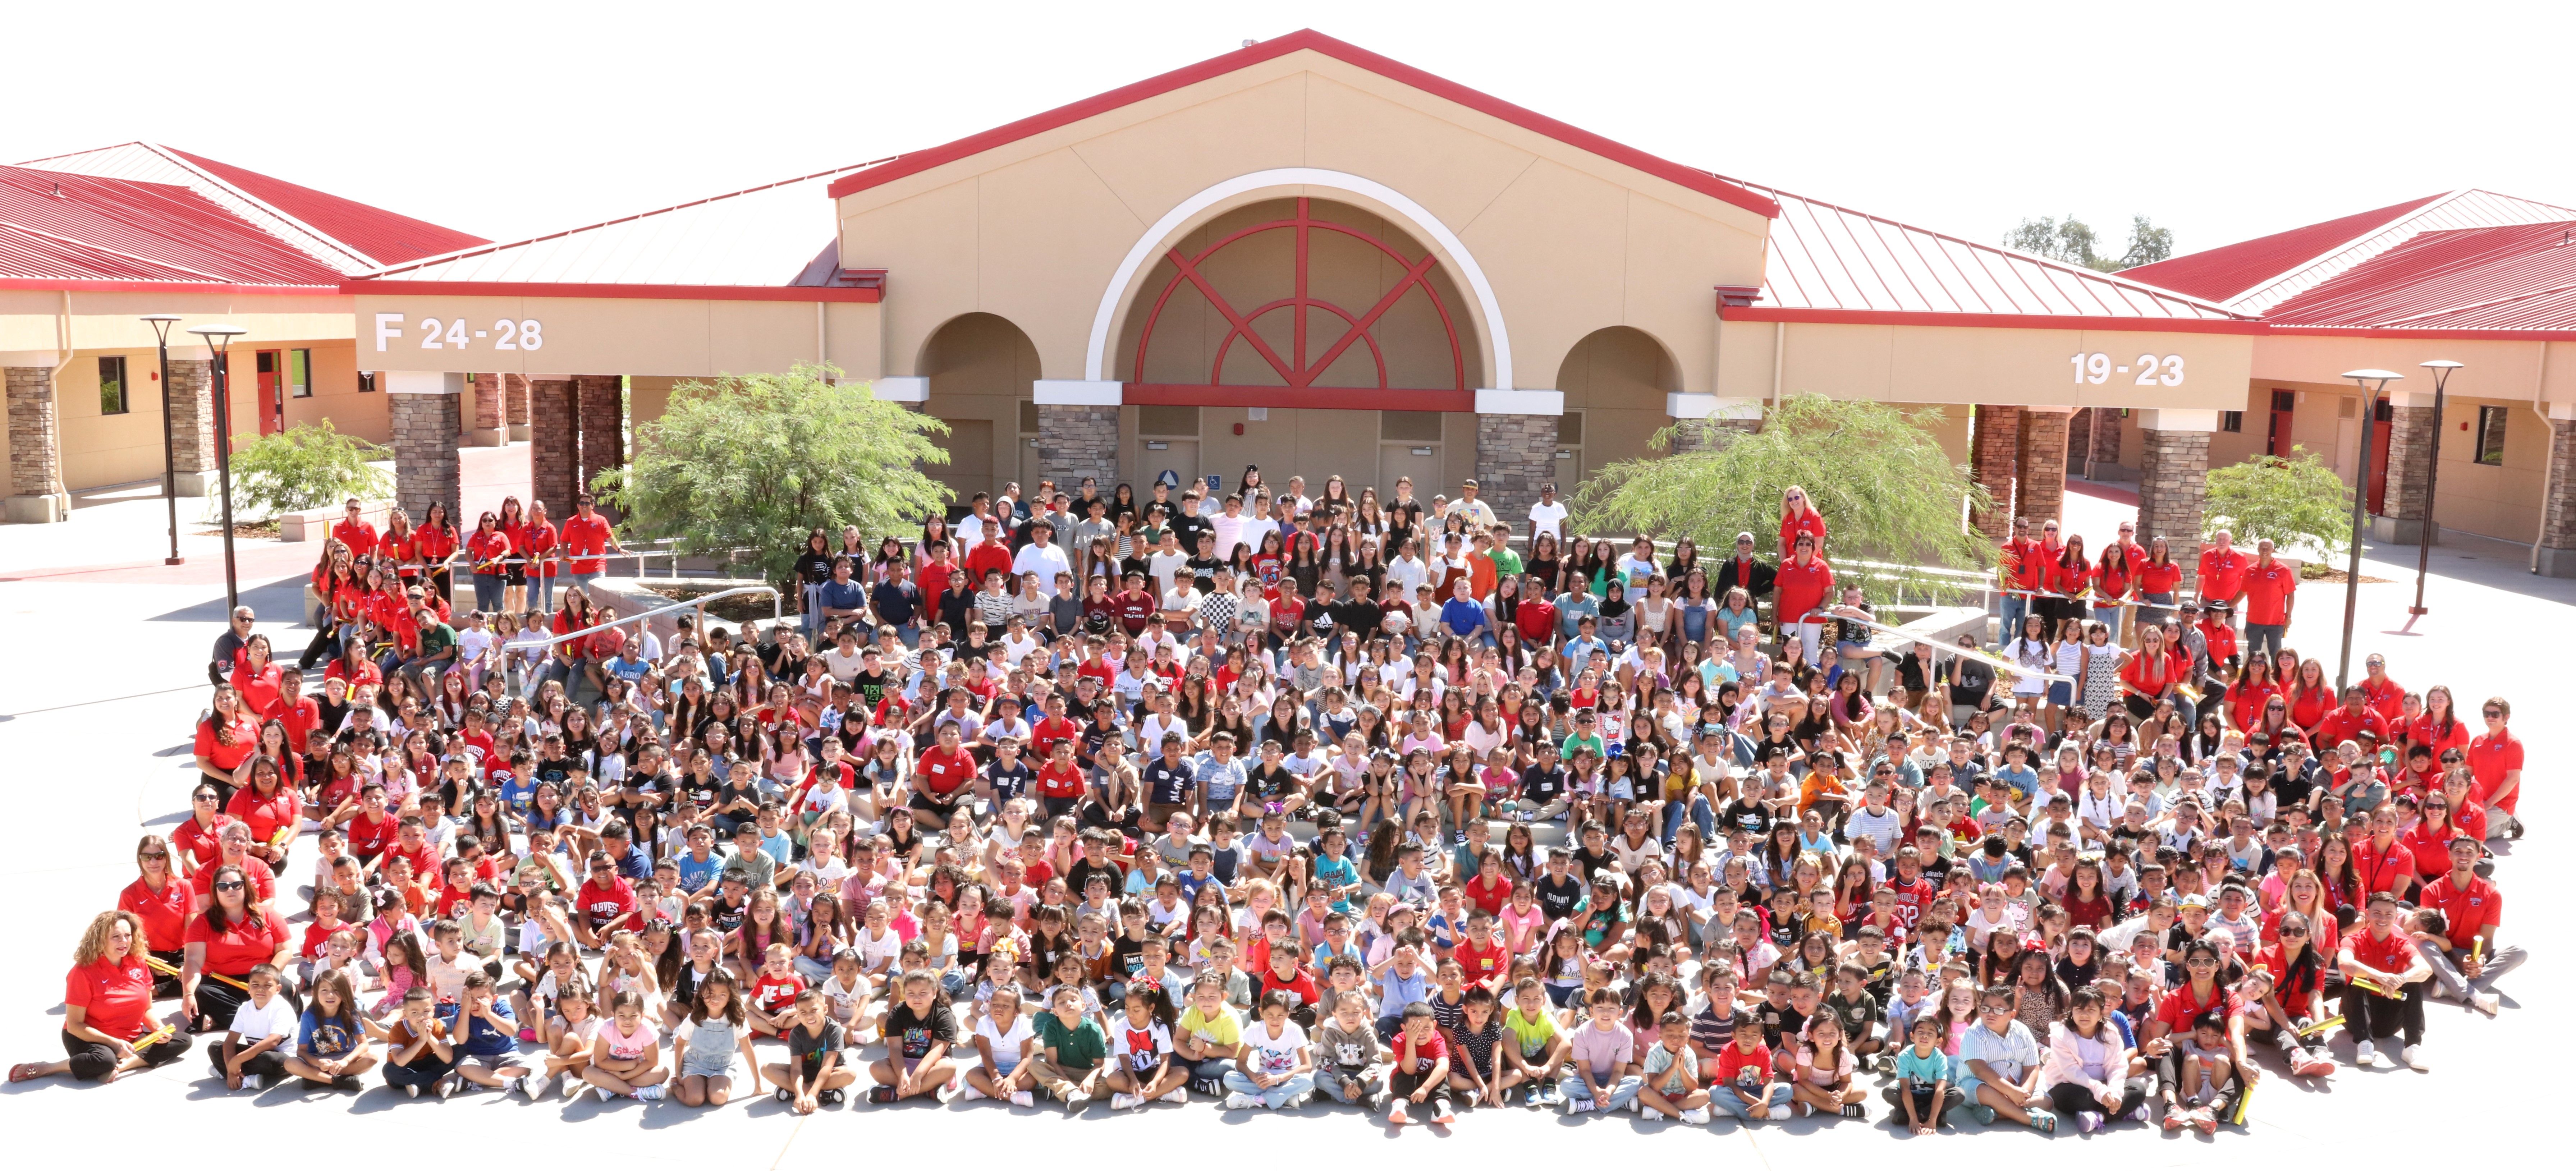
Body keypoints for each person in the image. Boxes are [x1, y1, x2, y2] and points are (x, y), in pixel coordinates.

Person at [11, 910, 193, 1084]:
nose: (124, 942)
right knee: (103, 1060)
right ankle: (49, 1068)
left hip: (130, 1037)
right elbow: (75, 1026)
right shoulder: (83, 972)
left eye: (128, 935)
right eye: (116, 937)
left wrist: (158, 1029)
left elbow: (148, 1009)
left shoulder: (138, 964)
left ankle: (121, 1066)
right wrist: (113, 1043)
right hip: (90, 1037)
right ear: (100, 939)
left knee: (183, 1040)